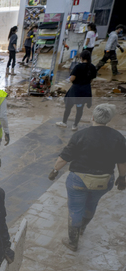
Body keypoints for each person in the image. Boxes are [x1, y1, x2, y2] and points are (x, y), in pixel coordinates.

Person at [49, 104, 126, 252]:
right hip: (103, 181)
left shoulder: (80, 135)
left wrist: (55, 170)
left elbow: (64, 158)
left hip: (79, 180)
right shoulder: (118, 137)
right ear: (109, 119)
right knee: (91, 204)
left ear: (92, 117)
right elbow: (122, 162)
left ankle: (73, 241)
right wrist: (123, 177)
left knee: (75, 209)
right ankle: (82, 228)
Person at [56, 50, 97, 131]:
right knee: (80, 108)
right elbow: (91, 80)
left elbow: (72, 78)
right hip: (85, 90)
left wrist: (72, 80)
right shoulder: (92, 67)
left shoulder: (78, 67)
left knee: (68, 106)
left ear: (81, 58)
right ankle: (75, 125)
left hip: (76, 90)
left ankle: (64, 123)